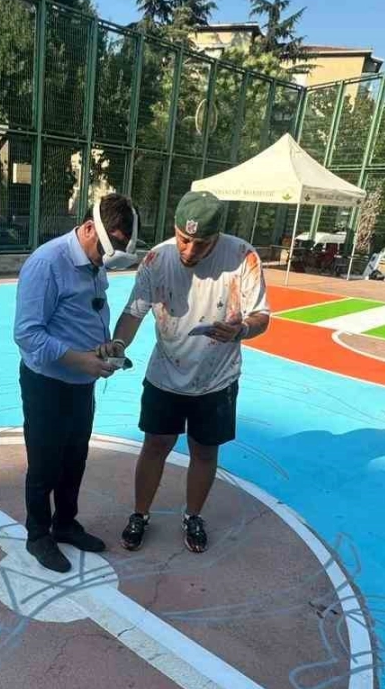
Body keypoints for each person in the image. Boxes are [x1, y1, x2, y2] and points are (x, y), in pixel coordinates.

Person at [109, 191, 270, 555]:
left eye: (202, 243)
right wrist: (118, 345)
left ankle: (192, 516)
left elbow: (262, 316)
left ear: (218, 237)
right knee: (155, 446)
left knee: (204, 451)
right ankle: (140, 514)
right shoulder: (157, 259)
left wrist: (242, 329)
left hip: (217, 379)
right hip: (165, 375)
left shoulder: (243, 257)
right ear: (175, 227)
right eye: (184, 239)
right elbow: (134, 312)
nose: (190, 250)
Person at [12, 193, 140, 573]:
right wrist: (81, 359)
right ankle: (38, 534)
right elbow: (27, 335)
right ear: (87, 228)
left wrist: (104, 346)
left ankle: (65, 523)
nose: (105, 260)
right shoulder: (47, 264)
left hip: (82, 382)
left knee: (75, 459)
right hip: (47, 384)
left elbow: (88, 311)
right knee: (45, 464)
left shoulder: (94, 261)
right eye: (104, 249)